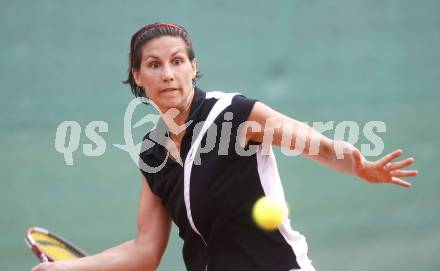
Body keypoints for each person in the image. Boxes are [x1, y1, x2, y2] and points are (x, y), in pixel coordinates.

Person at [32, 23, 418, 271]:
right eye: (153, 65)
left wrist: (357, 164)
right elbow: (145, 250)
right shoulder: (151, 154)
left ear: (193, 67)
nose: (168, 74)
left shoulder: (235, 113)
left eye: (177, 61)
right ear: (137, 76)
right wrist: (66, 268)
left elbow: (314, 144)